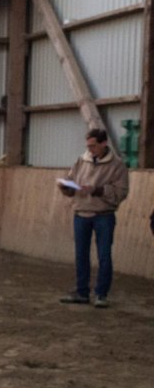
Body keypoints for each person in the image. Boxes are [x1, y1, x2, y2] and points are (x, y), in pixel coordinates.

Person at [58, 128, 129, 308]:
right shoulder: (81, 161)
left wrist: (97, 190)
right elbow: (70, 179)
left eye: (93, 146)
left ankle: (101, 294)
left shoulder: (117, 165)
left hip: (103, 215)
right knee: (81, 255)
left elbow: (121, 192)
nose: (90, 149)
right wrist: (67, 187)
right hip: (81, 213)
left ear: (104, 143)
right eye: (88, 146)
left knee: (104, 255)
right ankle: (82, 292)